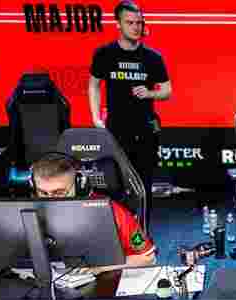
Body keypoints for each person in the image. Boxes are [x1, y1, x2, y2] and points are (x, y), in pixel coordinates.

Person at [0, 154, 156, 297]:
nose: (50, 199)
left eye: (59, 192)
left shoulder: (112, 211)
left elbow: (147, 257)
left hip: (95, 292)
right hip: (40, 289)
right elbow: (1, 249)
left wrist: (101, 267)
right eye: (43, 193)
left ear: (80, 185)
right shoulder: (25, 210)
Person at [88, 0, 171, 231]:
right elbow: (93, 85)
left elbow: (167, 91)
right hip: (115, 129)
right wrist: (96, 118)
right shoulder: (104, 54)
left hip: (145, 129)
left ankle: (142, 233)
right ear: (118, 24)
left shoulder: (153, 57)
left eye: (139, 23)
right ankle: (118, 234)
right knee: (115, 184)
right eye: (130, 23)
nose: (136, 27)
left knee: (143, 185)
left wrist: (150, 93)